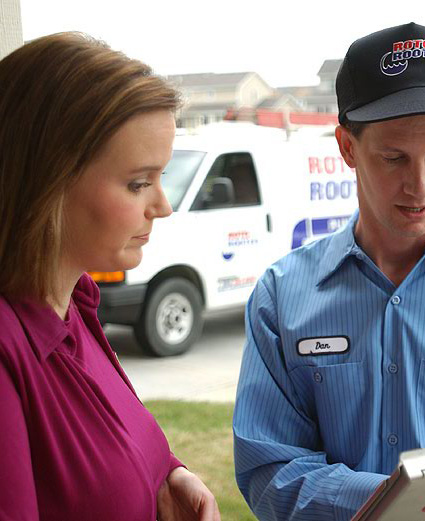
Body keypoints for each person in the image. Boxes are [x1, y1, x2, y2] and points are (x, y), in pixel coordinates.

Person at [233, 22, 425, 521]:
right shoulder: (283, 296)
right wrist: (401, 504)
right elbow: (268, 470)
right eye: (393, 158)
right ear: (346, 147)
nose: (421, 185)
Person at [0, 33, 220, 521]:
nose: (161, 206)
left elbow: (109, 440)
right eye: (138, 182)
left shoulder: (75, 305)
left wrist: (168, 472)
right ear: (48, 181)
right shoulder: (10, 345)